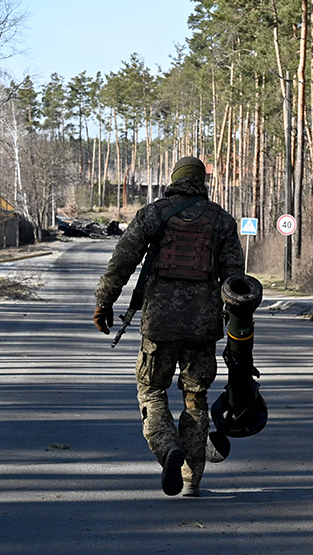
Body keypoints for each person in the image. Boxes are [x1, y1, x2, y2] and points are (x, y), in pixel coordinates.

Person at [93, 156, 245, 497]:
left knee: (151, 390)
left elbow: (123, 260)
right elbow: (235, 279)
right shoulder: (220, 220)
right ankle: (192, 479)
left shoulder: (153, 213)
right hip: (203, 326)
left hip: (159, 323)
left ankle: (167, 450)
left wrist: (104, 300)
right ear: (202, 181)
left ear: (175, 179)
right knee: (195, 398)